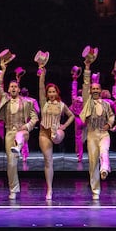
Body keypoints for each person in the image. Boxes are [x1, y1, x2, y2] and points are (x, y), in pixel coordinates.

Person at [0, 58, 38, 200]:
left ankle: (19, 146)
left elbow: (35, 118)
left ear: (19, 89)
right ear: (8, 89)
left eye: (15, 86)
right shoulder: (5, 100)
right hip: (9, 132)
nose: (13, 88)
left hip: (23, 131)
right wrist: (3, 70)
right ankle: (14, 189)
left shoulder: (27, 102)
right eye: (11, 86)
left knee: (20, 137)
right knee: (11, 163)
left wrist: (27, 126)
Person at [79, 58, 115, 200]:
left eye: (97, 89)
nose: (94, 90)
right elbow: (86, 85)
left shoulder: (106, 104)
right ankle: (95, 189)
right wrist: (87, 68)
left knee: (104, 150)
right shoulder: (87, 102)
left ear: (100, 90)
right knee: (93, 162)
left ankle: (105, 168)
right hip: (92, 134)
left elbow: (111, 116)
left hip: (104, 133)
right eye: (93, 89)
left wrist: (109, 124)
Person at [37, 66, 74, 200]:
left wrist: (64, 125)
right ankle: (49, 189)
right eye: (49, 92)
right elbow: (41, 87)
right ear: (47, 94)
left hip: (57, 130)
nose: (51, 93)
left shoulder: (62, 105)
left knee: (57, 135)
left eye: (54, 91)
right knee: (48, 161)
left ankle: (55, 133)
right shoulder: (43, 103)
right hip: (43, 132)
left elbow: (72, 116)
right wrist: (42, 74)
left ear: (57, 93)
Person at [69, 69, 86, 162]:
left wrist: (74, 80)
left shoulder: (75, 99)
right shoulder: (86, 100)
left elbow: (73, 91)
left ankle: (80, 156)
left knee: (78, 138)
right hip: (86, 119)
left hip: (78, 120)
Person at [19, 87, 40, 162]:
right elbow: (38, 110)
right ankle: (24, 154)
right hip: (25, 121)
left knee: (24, 135)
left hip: (28, 121)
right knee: (23, 136)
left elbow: (37, 111)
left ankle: (24, 154)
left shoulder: (30, 100)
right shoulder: (32, 100)